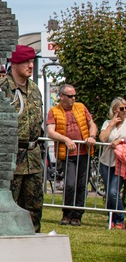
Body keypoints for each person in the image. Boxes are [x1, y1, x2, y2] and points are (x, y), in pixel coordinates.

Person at [0, 46, 45, 232]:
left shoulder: (34, 89)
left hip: (32, 157)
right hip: (10, 157)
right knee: (7, 207)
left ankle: (32, 245)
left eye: (32, 61)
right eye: (26, 61)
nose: (30, 66)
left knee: (34, 207)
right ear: (14, 63)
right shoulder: (2, 88)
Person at [46, 83, 97, 226]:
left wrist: (92, 136)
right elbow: (50, 131)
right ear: (61, 96)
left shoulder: (81, 107)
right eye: (70, 96)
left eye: (74, 95)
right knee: (69, 184)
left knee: (82, 185)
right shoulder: (54, 111)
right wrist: (66, 139)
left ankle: (77, 216)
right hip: (68, 155)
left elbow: (92, 124)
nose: (73, 98)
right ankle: (66, 214)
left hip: (84, 152)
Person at [98, 97, 126, 229]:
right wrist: (112, 124)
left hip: (120, 164)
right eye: (122, 108)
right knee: (109, 193)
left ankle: (120, 219)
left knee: (114, 192)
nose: (124, 110)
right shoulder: (107, 123)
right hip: (106, 162)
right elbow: (103, 138)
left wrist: (120, 141)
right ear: (115, 110)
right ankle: (111, 220)